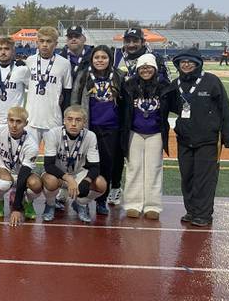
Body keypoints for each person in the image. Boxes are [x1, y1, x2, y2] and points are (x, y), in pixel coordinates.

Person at [170, 48, 229, 227]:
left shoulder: (212, 81)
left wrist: (228, 137)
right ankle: (191, 210)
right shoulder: (175, 84)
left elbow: (225, 109)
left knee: (204, 179)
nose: (186, 64)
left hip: (207, 140)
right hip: (184, 139)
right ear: (178, 64)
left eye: (190, 61)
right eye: (183, 61)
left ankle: (204, 214)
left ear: (198, 63)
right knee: (187, 177)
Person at [71, 45, 125, 215]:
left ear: (109, 59)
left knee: (107, 166)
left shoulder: (118, 75)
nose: (100, 60)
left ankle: (102, 200)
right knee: (87, 165)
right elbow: (75, 99)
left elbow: (125, 102)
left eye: (104, 57)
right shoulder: (84, 75)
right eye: (97, 57)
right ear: (92, 59)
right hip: (89, 127)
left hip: (112, 127)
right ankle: (83, 201)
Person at [120, 54, 174, 220]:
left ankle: (153, 205)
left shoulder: (165, 86)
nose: (145, 70)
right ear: (137, 69)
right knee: (133, 167)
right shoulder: (129, 85)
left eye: (149, 67)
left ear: (155, 68)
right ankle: (132, 204)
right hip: (134, 131)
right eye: (142, 67)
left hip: (156, 132)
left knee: (154, 168)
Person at [40, 106, 107, 224]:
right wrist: (68, 178)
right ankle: (50, 204)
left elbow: (95, 167)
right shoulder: (53, 134)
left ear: (84, 123)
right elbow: (49, 165)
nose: (73, 124)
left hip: (78, 173)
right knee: (50, 181)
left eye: (78, 120)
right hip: (58, 174)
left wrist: (86, 181)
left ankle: (80, 204)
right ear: (64, 121)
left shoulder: (90, 136)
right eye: (70, 119)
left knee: (101, 184)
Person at [0, 106, 42, 225]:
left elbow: (23, 176)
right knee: (3, 183)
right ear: (7, 120)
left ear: (25, 123)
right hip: (4, 170)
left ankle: (28, 202)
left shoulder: (31, 144)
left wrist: (17, 207)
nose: (14, 125)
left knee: (36, 185)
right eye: (11, 120)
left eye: (18, 122)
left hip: (23, 174)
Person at [24, 26, 73, 146]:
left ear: (55, 44)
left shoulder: (64, 63)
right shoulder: (29, 61)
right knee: (28, 157)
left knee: (53, 159)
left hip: (53, 121)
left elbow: (67, 92)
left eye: (48, 41)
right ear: (37, 43)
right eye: (42, 41)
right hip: (31, 120)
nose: (45, 44)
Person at [0, 37, 30, 128]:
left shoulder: (22, 69)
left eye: (7, 49)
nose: (3, 52)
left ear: (13, 51)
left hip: (14, 119)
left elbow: (32, 90)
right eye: (0, 49)